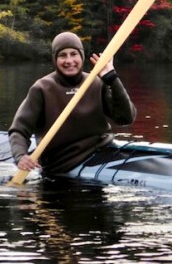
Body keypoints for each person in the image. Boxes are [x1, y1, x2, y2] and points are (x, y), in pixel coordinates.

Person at [8, 31, 137, 175]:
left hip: (102, 151)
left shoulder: (96, 83)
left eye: (74, 54)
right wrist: (20, 156)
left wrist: (112, 78)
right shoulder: (42, 88)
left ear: (81, 56)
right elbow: (19, 130)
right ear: (55, 59)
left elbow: (126, 118)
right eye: (63, 55)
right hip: (62, 165)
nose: (69, 60)